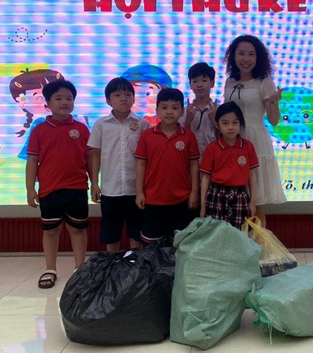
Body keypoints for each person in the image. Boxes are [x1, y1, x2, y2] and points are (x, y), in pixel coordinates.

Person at [25, 80, 93, 289]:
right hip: (49, 189)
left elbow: (90, 159)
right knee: (51, 231)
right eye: (59, 98)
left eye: (69, 98)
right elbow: (32, 161)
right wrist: (30, 189)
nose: (65, 102)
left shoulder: (81, 129)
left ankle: (79, 268)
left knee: (77, 230)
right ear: (47, 103)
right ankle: (50, 269)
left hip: (77, 188)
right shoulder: (39, 130)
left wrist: (95, 183)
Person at [223, 35, 285, 227]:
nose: (246, 58)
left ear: (258, 58)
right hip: (232, 140)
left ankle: (259, 244)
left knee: (256, 203)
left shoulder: (264, 82)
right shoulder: (229, 81)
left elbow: (274, 120)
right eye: (241, 53)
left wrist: (273, 102)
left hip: (255, 140)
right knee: (236, 199)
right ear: (233, 56)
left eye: (251, 54)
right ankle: (239, 243)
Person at [88, 77, 150, 252]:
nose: (123, 98)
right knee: (111, 233)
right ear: (108, 100)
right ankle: (112, 264)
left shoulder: (143, 124)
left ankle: (134, 264)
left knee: (136, 233)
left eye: (128, 94)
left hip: (136, 189)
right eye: (117, 95)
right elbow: (95, 155)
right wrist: (94, 183)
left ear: (133, 98)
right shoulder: (101, 124)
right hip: (110, 189)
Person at [134, 88, 200, 242]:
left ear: (182, 111)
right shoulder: (147, 135)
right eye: (164, 107)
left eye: (175, 108)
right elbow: (141, 165)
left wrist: (194, 192)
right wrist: (139, 192)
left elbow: (194, 165)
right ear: (157, 110)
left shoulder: (188, 136)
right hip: (152, 199)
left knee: (179, 245)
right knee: (151, 246)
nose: (169, 112)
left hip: (181, 200)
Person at [199, 102, 258, 229]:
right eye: (225, 123)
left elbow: (252, 175)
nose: (230, 127)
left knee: (239, 233)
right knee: (215, 232)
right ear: (217, 125)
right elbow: (205, 177)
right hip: (216, 195)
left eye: (235, 123)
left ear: (241, 124)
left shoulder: (248, 147)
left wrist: (253, 202)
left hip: (240, 195)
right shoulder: (212, 148)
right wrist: (203, 205)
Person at [179, 62, 219, 158]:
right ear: (190, 84)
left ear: (212, 83)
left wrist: (215, 121)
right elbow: (180, 141)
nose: (199, 85)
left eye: (204, 80)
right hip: (190, 160)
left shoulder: (219, 110)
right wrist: (188, 121)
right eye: (195, 81)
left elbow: (226, 139)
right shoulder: (184, 111)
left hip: (214, 159)